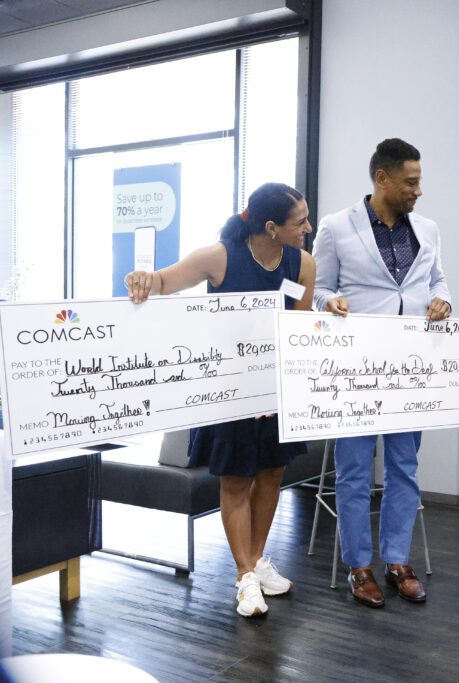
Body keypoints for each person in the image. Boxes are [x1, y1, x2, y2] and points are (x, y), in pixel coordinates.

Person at [125, 182, 315, 616]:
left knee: (271, 475)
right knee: (236, 481)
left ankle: (257, 561)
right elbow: (163, 283)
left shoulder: (303, 264)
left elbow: (300, 328)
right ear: (271, 227)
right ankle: (243, 576)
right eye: (299, 221)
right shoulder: (221, 256)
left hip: (275, 390)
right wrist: (143, 279)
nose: (307, 227)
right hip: (228, 388)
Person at [312, 138, 451, 608]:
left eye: (419, 181)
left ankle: (397, 560)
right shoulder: (335, 228)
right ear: (382, 179)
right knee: (352, 473)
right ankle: (359, 566)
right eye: (410, 182)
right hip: (354, 371)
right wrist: (326, 301)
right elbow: (317, 289)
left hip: (410, 368)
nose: (418, 190)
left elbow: (437, 279)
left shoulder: (428, 229)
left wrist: (443, 299)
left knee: (404, 469)